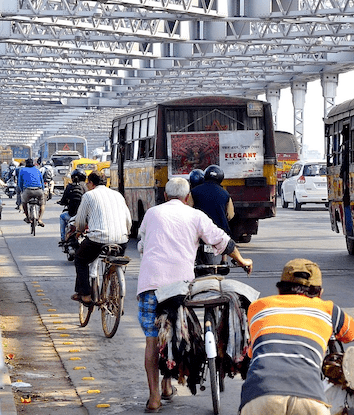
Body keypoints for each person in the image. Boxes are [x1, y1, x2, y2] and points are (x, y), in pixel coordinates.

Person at [136, 177, 253, 413]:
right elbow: (222, 240)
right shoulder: (195, 215)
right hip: (179, 287)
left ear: (166, 196)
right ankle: (169, 384)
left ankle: (155, 397)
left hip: (150, 285)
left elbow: (143, 242)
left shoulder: (152, 214)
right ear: (187, 197)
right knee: (176, 332)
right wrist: (242, 261)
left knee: (152, 340)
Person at [239, 258, 354, 415]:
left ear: (280, 289)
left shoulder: (257, 307)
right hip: (308, 397)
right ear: (319, 292)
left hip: (259, 396)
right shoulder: (328, 310)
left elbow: (252, 354)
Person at [72, 172, 132, 304]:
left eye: (88, 183)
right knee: (116, 262)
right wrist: (125, 233)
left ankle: (86, 295)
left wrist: (78, 232)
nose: (87, 185)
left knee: (80, 260)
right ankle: (114, 291)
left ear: (92, 183)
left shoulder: (89, 195)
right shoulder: (118, 195)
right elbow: (128, 220)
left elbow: (80, 221)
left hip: (97, 239)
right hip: (121, 240)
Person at [187, 165, 234, 236]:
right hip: (220, 232)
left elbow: (188, 210)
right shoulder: (225, 194)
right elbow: (230, 215)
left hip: (199, 231)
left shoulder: (194, 192)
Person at [57, 169, 87, 241]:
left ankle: (63, 238)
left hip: (71, 216)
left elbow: (63, 200)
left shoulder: (69, 187)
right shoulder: (86, 187)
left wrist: (61, 202)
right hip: (85, 218)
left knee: (62, 217)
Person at [17, 158, 45, 226]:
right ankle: (40, 219)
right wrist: (42, 190)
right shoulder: (37, 170)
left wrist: (22, 191)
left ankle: (27, 217)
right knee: (42, 204)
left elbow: (20, 182)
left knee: (24, 203)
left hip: (28, 191)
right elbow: (42, 182)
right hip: (39, 190)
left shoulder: (22, 170)